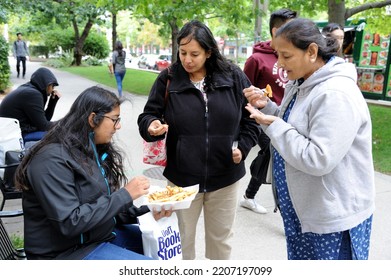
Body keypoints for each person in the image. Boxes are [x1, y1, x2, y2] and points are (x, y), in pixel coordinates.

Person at [244, 18, 375, 260]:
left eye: (286, 56)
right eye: (277, 55)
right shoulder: (302, 82)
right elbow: (295, 127)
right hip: (305, 212)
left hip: (331, 220)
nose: (280, 64)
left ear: (312, 51)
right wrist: (270, 109)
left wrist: (275, 126)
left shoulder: (335, 94)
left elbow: (319, 158)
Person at [138, 20, 259, 260]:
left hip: (225, 178)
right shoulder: (169, 78)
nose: (187, 60)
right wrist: (151, 125)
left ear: (209, 52)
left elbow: (253, 118)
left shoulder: (233, 76)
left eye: (194, 54)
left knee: (220, 244)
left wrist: (243, 148)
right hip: (182, 180)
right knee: (181, 244)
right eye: (182, 52)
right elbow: (148, 115)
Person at [14, 86, 172, 260]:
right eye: (115, 119)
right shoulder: (50, 160)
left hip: (95, 237)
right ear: (92, 119)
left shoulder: (89, 149)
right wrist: (125, 195)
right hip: (64, 254)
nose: (118, 126)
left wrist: (149, 209)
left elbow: (101, 207)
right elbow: (70, 222)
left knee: (161, 247)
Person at [240, 8, 297, 214]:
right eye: (291, 28)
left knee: (273, 156)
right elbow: (244, 90)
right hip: (261, 118)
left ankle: (249, 195)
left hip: (285, 116)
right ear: (276, 30)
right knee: (275, 154)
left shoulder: (296, 55)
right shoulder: (257, 59)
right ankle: (285, 209)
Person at [0, 67, 61, 144]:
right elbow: (44, 126)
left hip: (11, 131)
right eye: (52, 86)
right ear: (47, 84)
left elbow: (45, 120)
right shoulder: (33, 94)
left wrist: (53, 101)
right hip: (15, 135)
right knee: (60, 135)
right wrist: (66, 123)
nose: (53, 89)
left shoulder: (29, 89)